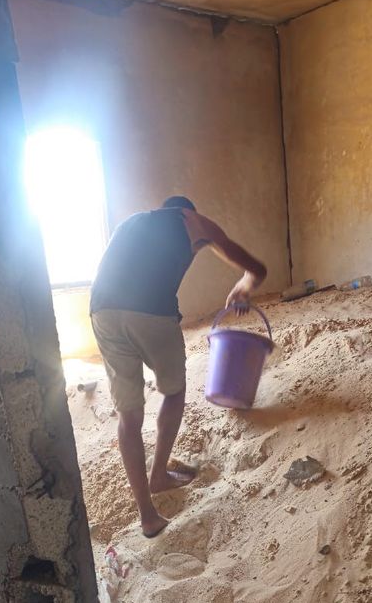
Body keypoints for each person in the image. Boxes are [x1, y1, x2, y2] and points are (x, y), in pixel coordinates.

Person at [90, 196, 267, 538]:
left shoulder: (131, 222)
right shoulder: (194, 222)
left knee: (129, 416)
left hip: (101, 312)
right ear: (189, 212)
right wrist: (242, 288)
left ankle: (147, 516)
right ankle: (158, 475)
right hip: (151, 312)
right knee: (174, 391)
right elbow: (256, 269)